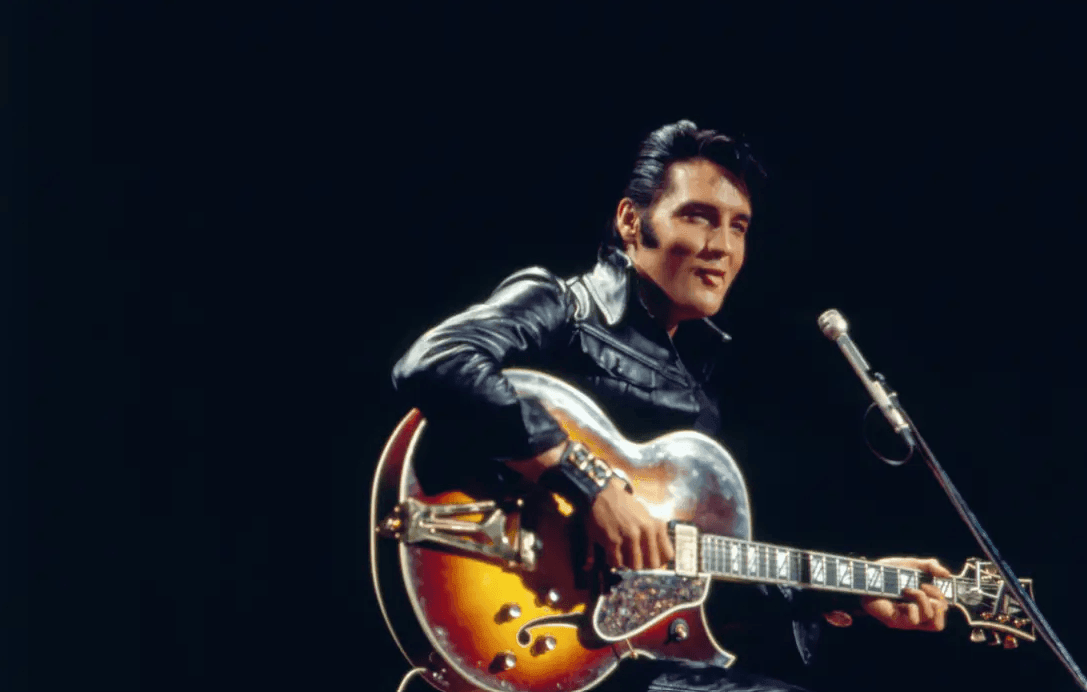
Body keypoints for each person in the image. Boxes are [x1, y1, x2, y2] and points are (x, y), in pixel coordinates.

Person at [390, 120, 950, 692]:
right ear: (632, 221)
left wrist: (854, 589)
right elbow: (437, 361)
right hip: (515, 612)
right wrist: (589, 485)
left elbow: (704, 591)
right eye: (698, 217)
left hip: (611, 658)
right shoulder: (566, 308)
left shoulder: (696, 402)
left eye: (740, 227)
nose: (724, 248)